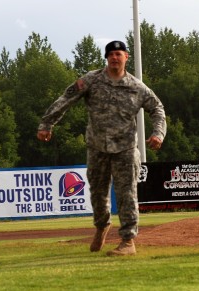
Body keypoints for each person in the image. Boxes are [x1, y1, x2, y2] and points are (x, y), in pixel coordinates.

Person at [37, 40, 166, 256]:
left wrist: (158, 133)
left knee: (127, 194)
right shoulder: (91, 80)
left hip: (125, 149)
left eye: (118, 54)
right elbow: (66, 98)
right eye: (111, 54)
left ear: (126, 57)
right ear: (106, 58)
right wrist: (47, 124)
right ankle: (102, 225)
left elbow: (157, 109)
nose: (115, 57)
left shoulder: (137, 87)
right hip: (97, 148)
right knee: (98, 195)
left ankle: (127, 241)